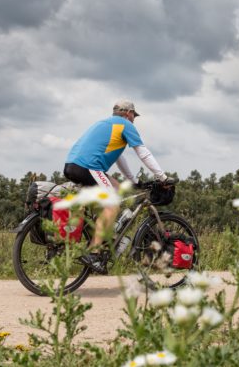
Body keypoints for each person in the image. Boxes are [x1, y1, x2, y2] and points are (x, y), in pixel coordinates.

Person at [63, 99, 170, 273]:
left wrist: (133, 180)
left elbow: (119, 157)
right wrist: (162, 177)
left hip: (72, 165)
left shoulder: (105, 124)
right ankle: (94, 252)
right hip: (89, 167)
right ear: (128, 113)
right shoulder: (125, 125)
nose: (134, 119)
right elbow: (143, 152)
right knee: (112, 203)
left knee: (118, 189)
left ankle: (98, 233)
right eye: (134, 115)